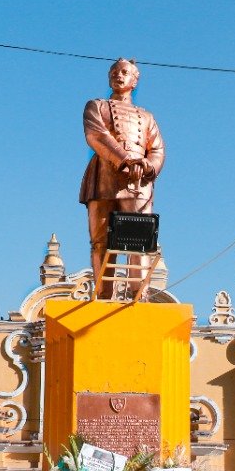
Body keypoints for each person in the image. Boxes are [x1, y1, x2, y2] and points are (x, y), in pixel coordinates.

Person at [79, 58, 165, 298]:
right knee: (101, 240)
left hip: (138, 182)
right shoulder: (97, 106)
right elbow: (96, 134)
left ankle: (140, 294)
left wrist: (147, 165)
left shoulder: (146, 117)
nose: (118, 75)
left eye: (124, 72)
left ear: (134, 81)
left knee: (139, 238)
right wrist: (125, 160)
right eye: (114, 72)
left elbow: (157, 149)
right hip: (104, 176)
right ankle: (103, 294)